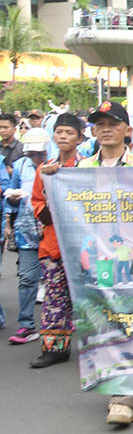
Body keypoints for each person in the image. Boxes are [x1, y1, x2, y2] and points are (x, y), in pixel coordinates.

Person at [79, 102, 133, 425]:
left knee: (128, 319)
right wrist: (53, 178)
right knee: (104, 320)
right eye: (100, 124)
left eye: (113, 123)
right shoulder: (81, 168)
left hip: (130, 259)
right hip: (96, 258)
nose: (106, 129)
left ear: (128, 130)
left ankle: (122, 395)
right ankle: (127, 382)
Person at [29, 113, 84, 368]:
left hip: (83, 246)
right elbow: (37, 203)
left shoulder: (87, 168)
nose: (63, 136)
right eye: (59, 132)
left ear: (80, 138)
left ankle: (98, 347)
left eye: (69, 133)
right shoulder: (45, 169)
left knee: (90, 298)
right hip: (53, 245)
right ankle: (55, 348)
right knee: (54, 299)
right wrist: (50, 188)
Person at [6, 128, 48, 345]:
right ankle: (26, 325)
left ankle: (60, 325)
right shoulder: (21, 166)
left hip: (51, 230)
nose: (36, 157)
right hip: (26, 230)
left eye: (39, 153)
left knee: (59, 281)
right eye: (32, 153)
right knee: (27, 279)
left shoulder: (56, 165)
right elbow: (11, 193)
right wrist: (12, 200)